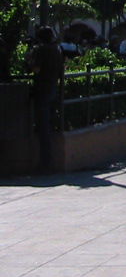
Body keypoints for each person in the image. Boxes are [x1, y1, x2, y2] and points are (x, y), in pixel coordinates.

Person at [27, 26, 65, 172]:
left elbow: (36, 69)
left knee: (42, 128)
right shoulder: (57, 49)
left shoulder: (42, 50)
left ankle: (46, 163)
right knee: (48, 125)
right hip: (53, 88)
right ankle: (49, 161)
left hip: (42, 89)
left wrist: (29, 59)